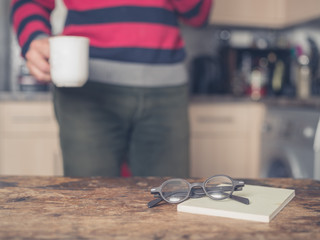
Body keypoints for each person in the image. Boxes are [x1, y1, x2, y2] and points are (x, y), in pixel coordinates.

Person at [11, 0, 213, 177]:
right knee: (91, 208)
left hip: (166, 90)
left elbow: (198, 15)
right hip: (85, 90)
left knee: (169, 206)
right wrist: (35, 38)